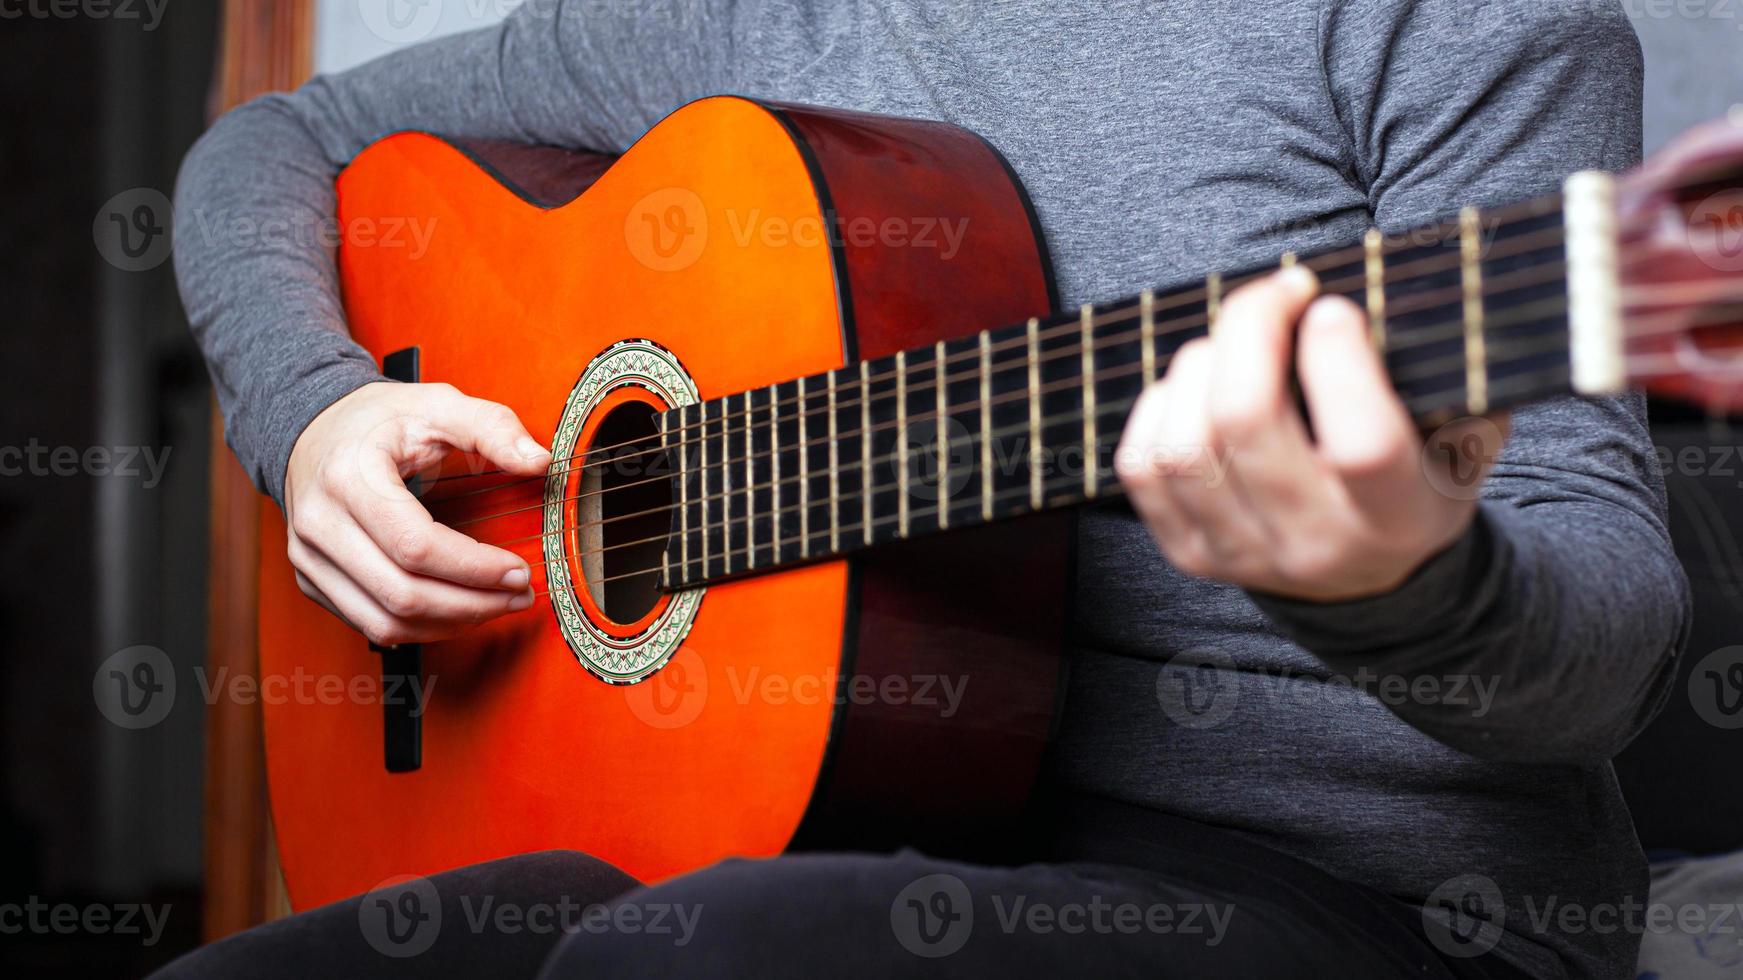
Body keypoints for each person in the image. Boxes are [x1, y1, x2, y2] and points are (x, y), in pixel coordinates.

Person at [162, 2, 1688, 977]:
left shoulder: (1464, 22)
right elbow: (271, 142)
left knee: (697, 962)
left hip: (1374, 893)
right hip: (842, 821)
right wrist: (315, 415)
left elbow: (1606, 650)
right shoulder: (744, 20)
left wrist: (1407, 581)